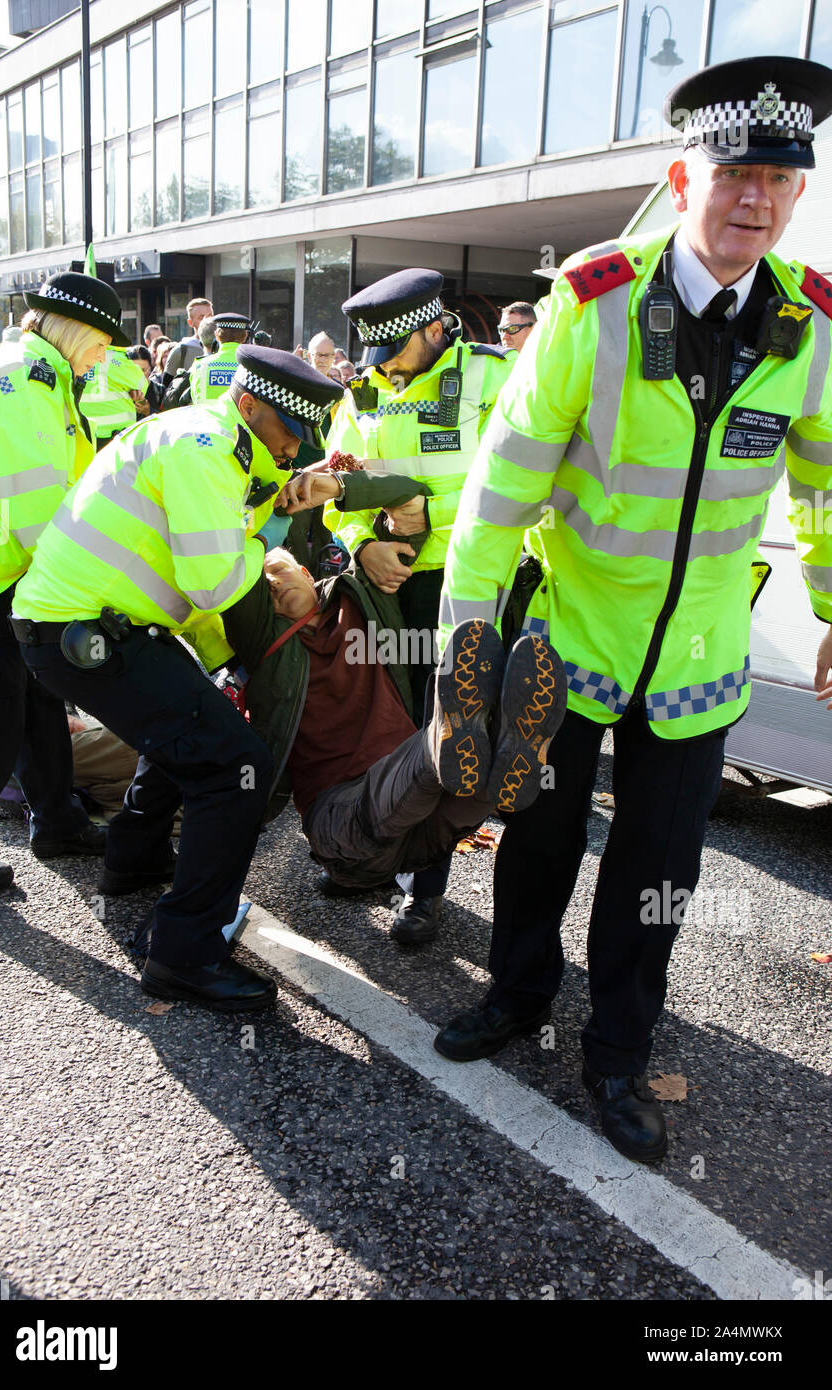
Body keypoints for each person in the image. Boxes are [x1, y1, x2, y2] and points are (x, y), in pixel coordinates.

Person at [434, 56, 832, 1164]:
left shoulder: (811, 324)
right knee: (537, 841)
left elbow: (824, 485)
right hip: (570, 642)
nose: (752, 196)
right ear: (681, 175)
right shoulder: (593, 302)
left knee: (658, 876)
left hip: (700, 658)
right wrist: (466, 628)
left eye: (776, 179)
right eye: (732, 171)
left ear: (797, 196)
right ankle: (516, 995)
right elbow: (499, 480)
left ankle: (616, 1049)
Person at [11, 346, 343, 1012]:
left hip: (93, 626)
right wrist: (275, 528)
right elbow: (215, 579)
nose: (293, 449)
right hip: (86, 633)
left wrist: (226, 663)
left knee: (191, 729)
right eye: (289, 432)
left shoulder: (211, 441)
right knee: (234, 766)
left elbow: (190, 587)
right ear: (250, 406)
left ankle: (133, 864)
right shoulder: (205, 450)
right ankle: (184, 957)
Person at [323, 268, 512, 943]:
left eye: (396, 354)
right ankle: (373, 859)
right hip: (387, 587)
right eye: (378, 358)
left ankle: (422, 890)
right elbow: (339, 484)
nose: (386, 372)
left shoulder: (494, 379)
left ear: (435, 327)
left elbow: (524, 485)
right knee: (381, 731)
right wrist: (361, 543)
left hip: (466, 589)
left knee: (445, 740)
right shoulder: (365, 393)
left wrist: (425, 515)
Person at [224, 545, 566, 897]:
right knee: (434, 755)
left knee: (472, 782)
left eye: (279, 570)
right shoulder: (266, 643)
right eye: (262, 585)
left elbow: (410, 525)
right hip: (347, 827)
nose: (273, 582)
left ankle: (508, 754)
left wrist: (364, 545)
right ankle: (462, 742)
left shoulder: (358, 596)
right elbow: (230, 556)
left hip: (424, 834)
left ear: (307, 573)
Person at [0, 272, 128, 891]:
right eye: (103, 342)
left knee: (37, 701)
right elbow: (34, 507)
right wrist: (75, 583)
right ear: (75, 330)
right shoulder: (21, 382)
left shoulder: (39, 375)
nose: (106, 356)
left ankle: (57, 820)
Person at [79, 338, 149, 445]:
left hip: (83, 434)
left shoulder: (80, 354)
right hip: (116, 438)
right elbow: (142, 385)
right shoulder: (116, 359)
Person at [188, 312, 250, 404]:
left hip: (207, 418)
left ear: (216, 335)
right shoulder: (251, 367)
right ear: (245, 336)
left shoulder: (200, 365)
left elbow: (194, 398)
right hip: (238, 418)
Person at [163, 298, 213, 378]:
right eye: (201, 317)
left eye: (210, 316)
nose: (207, 321)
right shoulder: (181, 350)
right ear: (190, 322)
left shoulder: (223, 347)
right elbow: (166, 386)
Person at [126, 345, 162, 414]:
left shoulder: (159, 391)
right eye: (135, 371)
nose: (139, 375)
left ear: (150, 367)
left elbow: (167, 418)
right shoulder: (120, 391)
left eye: (143, 370)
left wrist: (149, 412)